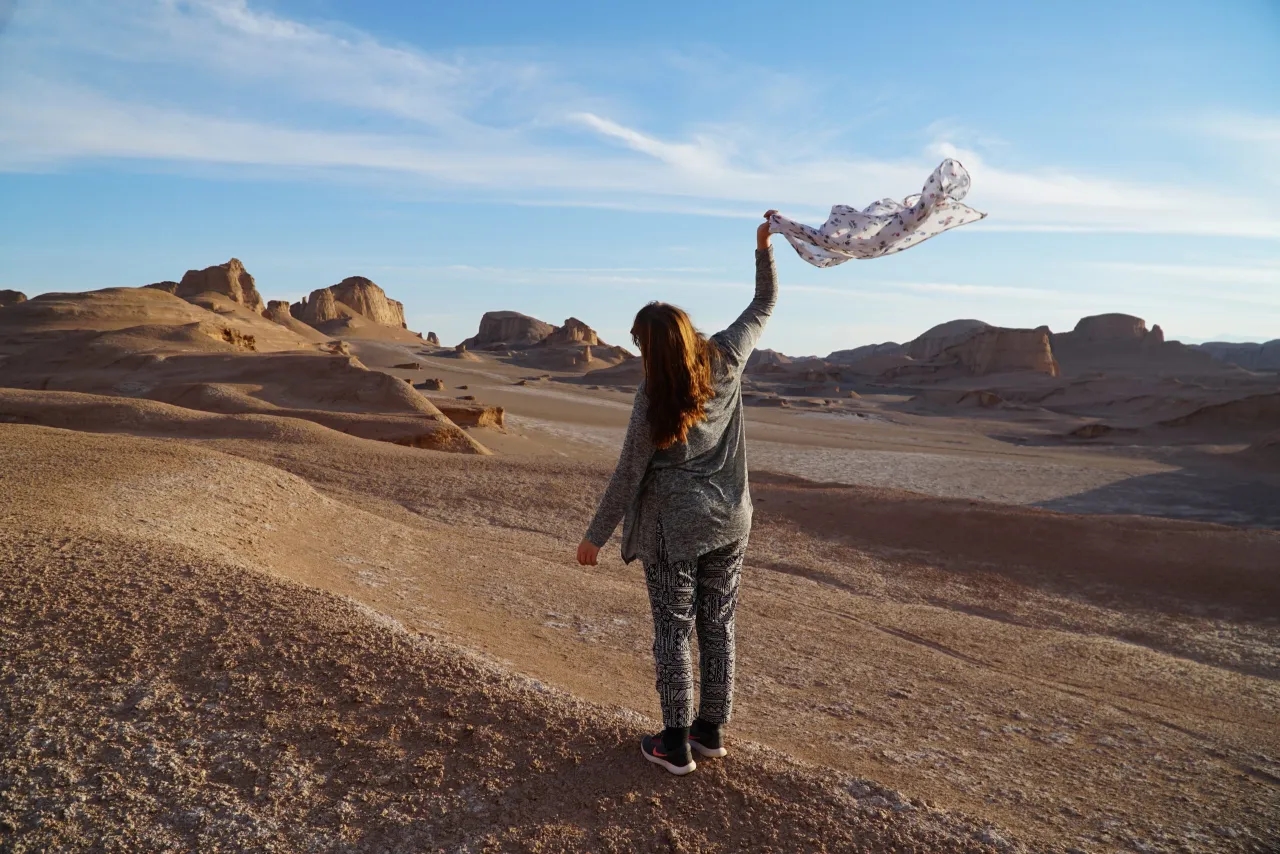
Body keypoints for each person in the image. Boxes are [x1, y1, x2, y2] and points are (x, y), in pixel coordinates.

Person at [576, 210, 779, 775]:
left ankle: (674, 743)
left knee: (673, 630)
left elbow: (628, 474)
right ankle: (710, 730)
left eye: (639, 342)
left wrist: (595, 536)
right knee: (719, 623)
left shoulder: (653, 399)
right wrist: (763, 248)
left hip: (673, 531)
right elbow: (763, 304)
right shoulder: (727, 358)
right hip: (730, 522)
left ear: (650, 349)